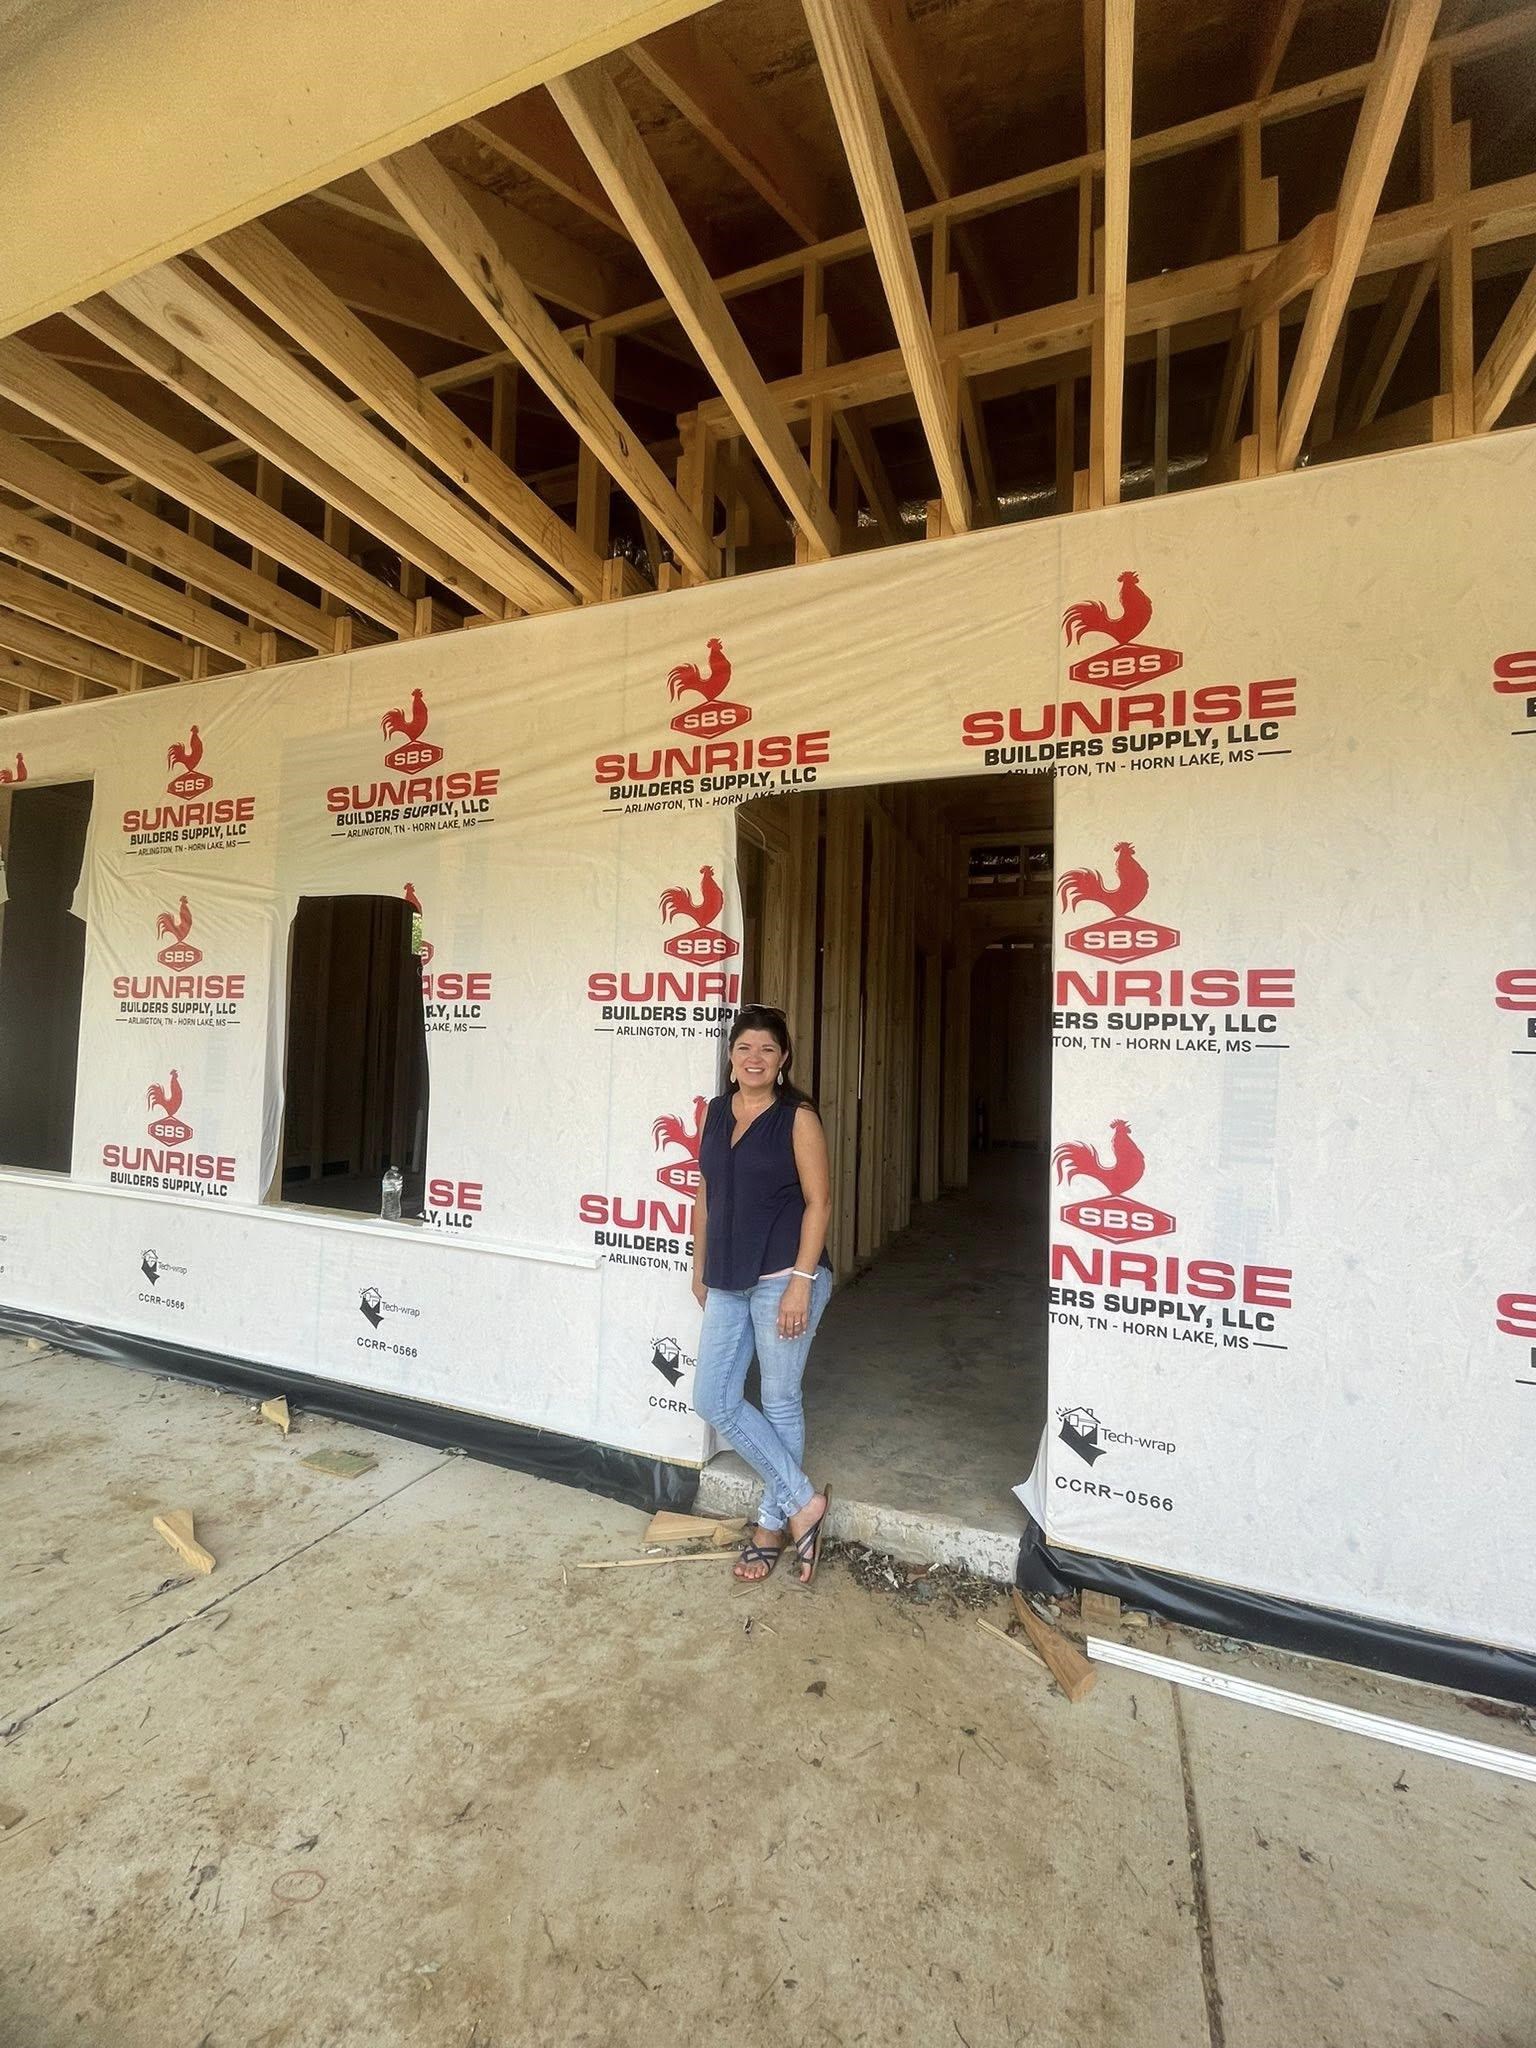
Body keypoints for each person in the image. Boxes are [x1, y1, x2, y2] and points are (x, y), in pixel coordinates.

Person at [691, 1005, 833, 1585]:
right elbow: (706, 1190)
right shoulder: (718, 1112)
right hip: (727, 1276)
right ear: (731, 1059)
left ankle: (772, 1525)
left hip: (783, 1279)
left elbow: (819, 1203)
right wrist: (700, 1265)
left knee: (778, 1400)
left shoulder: (797, 1117)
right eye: (744, 1047)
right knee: (714, 1398)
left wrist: (801, 1282)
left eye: (767, 1050)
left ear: (783, 1061)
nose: (755, 1058)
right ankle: (804, 1501)